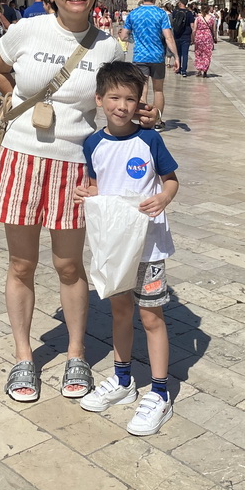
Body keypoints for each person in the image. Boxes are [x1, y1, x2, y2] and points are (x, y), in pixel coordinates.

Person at [0, 0, 161, 404]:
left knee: (68, 265)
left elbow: (118, 98)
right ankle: (24, 356)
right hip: (21, 157)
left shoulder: (106, 46)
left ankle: (76, 353)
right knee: (22, 264)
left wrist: (140, 114)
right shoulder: (26, 30)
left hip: (75, 166)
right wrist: (18, 102)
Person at [76, 62, 178, 435]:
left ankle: (161, 391)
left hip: (148, 248)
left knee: (151, 317)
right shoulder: (93, 144)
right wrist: (87, 193)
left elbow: (170, 180)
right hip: (114, 246)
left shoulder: (150, 140)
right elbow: (94, 183)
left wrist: (164, 197)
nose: (122, 105)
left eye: (131, 99)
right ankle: (122, 380)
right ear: (99, 99)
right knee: (120, 312)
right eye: (114, 97)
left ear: (141, 103)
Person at [120, 0, 179, 130]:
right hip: (157, 56)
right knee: (158, 90)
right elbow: (168, 37)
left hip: (140, 56)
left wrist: (134, 39)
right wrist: (176, 56)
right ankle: (158, 121)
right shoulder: (161, 14)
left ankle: (144, 120)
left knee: (142, 90)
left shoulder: (133, 14)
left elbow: (123, 35)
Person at [170, 0, 196, 76]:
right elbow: (192, 26)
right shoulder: (189, 13)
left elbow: (173, 24)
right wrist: (193, 37)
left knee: (178, 53)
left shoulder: (175, 12)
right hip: (186, 35)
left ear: (180, 3)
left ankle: (178, 69)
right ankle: (184, 71)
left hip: (177, 35)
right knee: (185, 54)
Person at [193, 3, 217, 77]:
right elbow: (214, 30)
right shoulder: (212, 18)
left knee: (199, 53)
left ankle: (199, 69)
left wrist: (193, 38)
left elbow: (194, 29)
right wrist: (215, 38)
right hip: (208, 37)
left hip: (199, 37)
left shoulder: (198, 18)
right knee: (207, 54)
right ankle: (205, 71)